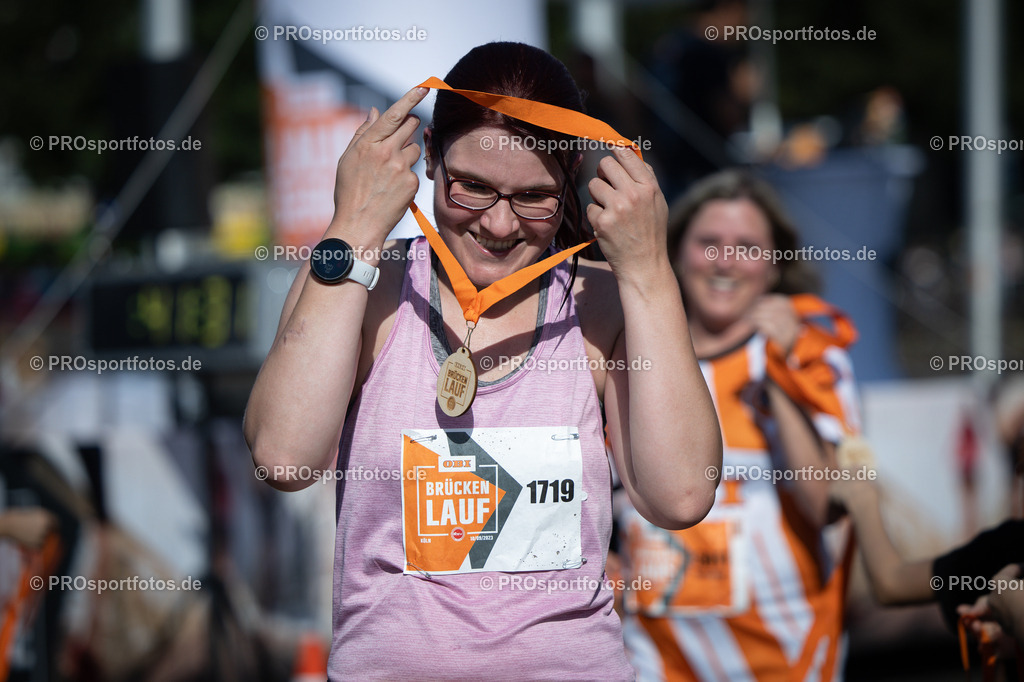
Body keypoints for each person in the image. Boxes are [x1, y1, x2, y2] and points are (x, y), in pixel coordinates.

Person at [243, 42, 722, 679]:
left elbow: (682, 494)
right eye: (472, 188)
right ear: (431, 155)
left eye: (534, 198)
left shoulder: (602, 300)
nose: (498, 225)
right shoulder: (364, 285)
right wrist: (353, 224)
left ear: (570, 176)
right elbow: (283, 456)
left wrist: (650, 273)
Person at [616, 169, 861, 681]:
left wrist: (784, 372)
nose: (726, 260)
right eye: (709, 242)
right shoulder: (626, 348)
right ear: (676, 252)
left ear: (774, 266)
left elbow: (826, 505)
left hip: (784, 655)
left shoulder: (814, 355)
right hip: (655, 658)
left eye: (747, 246)